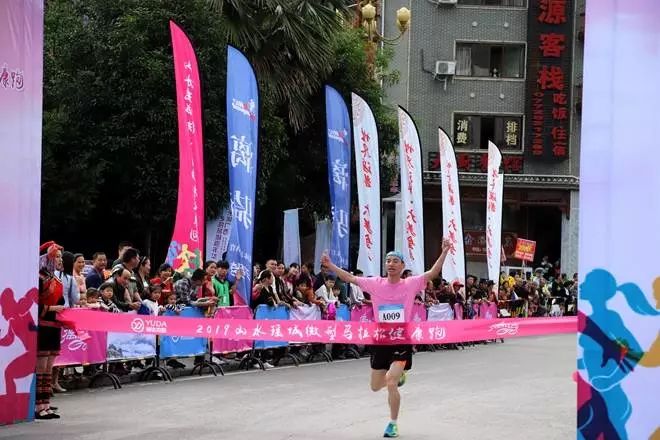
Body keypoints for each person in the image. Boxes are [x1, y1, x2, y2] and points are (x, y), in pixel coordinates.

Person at [321, 238, 451, 438]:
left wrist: (444, 251)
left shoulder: (410, 284)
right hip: (381, 340)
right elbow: (349, 278)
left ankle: (393, 423)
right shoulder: (375, 283)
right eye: (388, 261)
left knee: (390, 382)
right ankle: (399, 378)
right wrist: (330, 265)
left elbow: (432, 273)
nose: (391, 264)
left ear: (402, 266)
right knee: (375, 386)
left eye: (395, 261)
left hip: (401, 339)